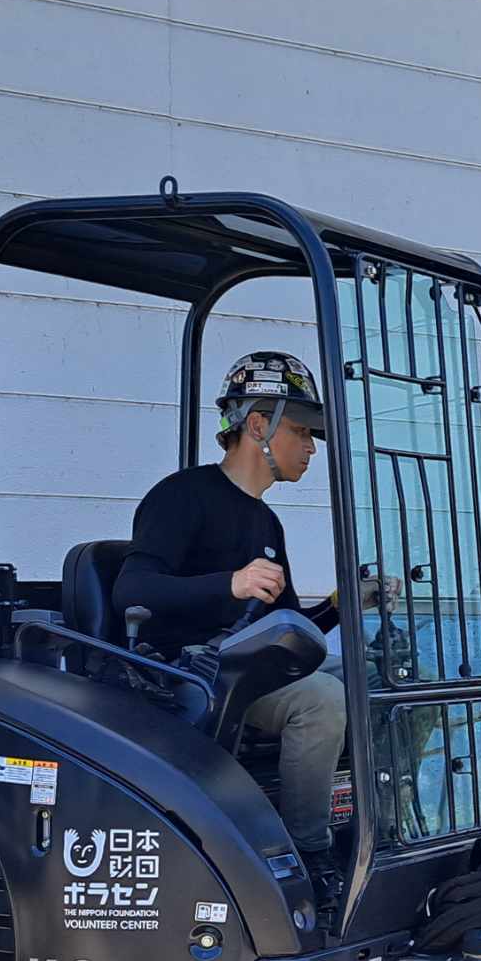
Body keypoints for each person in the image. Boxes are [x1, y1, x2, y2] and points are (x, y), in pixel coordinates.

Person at [114, 352, 364, 908]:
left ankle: (378, 825)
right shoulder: (182, 496)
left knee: (380, 677)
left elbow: (290, 623)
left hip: (251, 669)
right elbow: (132, 590)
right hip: (192, 675)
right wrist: (229, 583)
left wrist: (344, 605)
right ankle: (311, 854)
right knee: (321, 699)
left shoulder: (266, 520)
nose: (311, 447)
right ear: (258, 425)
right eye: (301, 430)